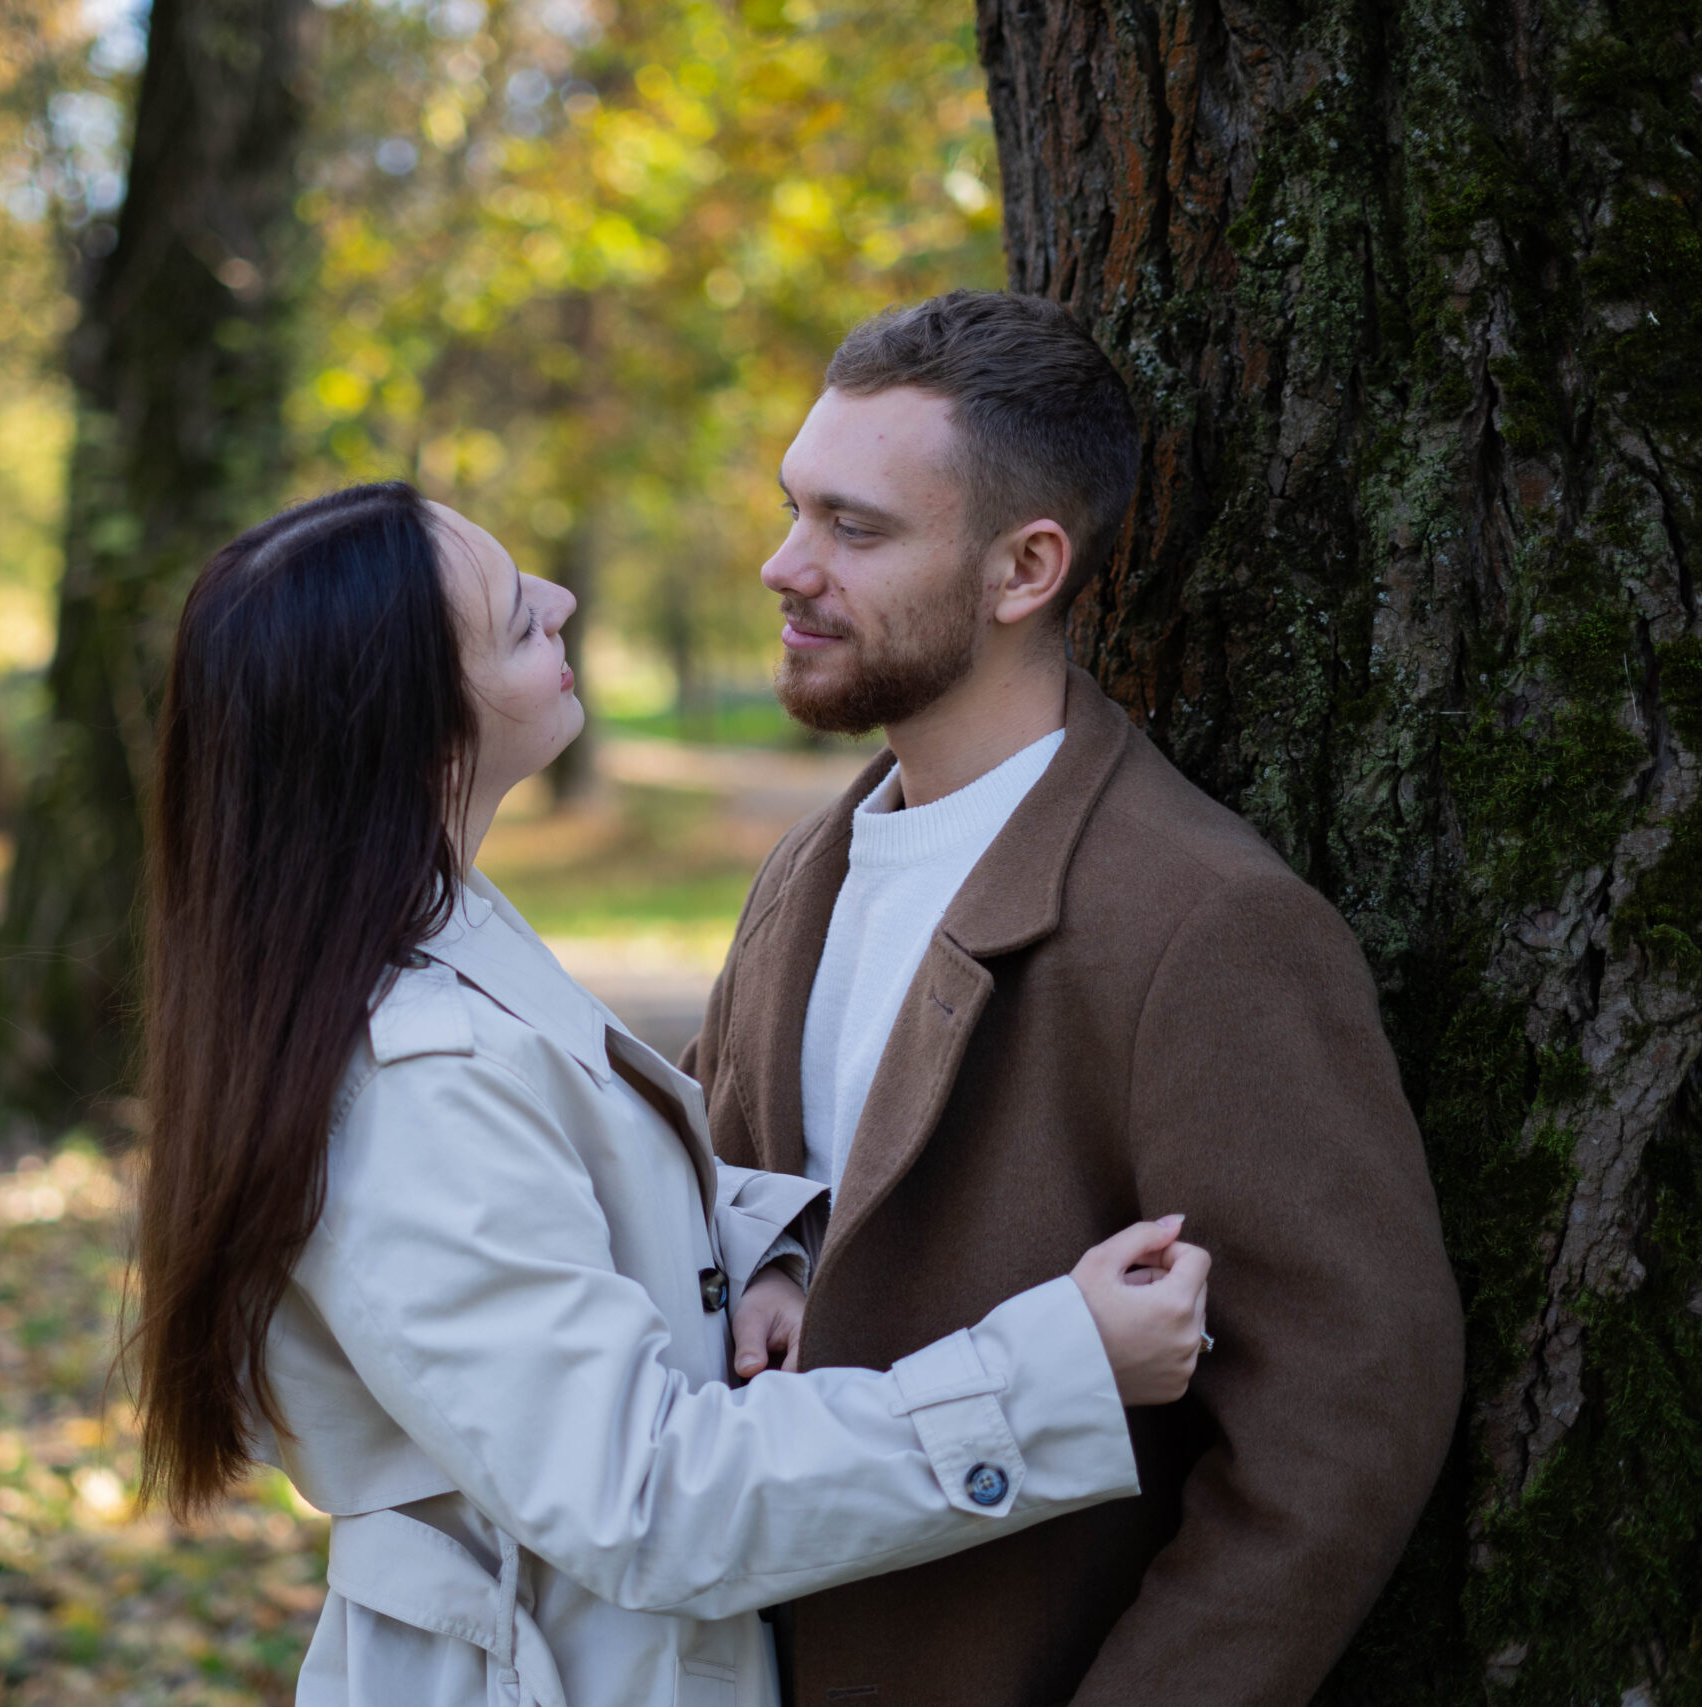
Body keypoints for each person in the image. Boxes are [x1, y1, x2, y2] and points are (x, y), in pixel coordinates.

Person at [130, 478, 1214, 1706]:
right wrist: (1052, 1371)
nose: (565, 597)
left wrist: (753, 1248)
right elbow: (646, 1503)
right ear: (423, 734)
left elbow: (563, 1196)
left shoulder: (437, 937)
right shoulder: (414, 1082)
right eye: (514, 617)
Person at [686, 290, 1466, 1703]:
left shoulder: (1203, 923)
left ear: (1023, 567)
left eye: (855, 530)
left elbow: (1345, 1419)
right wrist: (774, 1258)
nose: (783, 564)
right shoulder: (807, 869)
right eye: (795, 508)